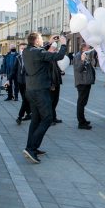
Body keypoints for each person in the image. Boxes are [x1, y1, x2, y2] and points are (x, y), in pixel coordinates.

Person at [21, 33, 67, 164]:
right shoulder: (37, 52)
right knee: (47, 118)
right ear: (36, 40)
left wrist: (49, 43)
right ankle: (31, 148)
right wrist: (63, 44)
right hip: (40, 90)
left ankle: (31, 147)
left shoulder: (27, 51)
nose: (42, 41)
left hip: (31, 90)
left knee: (36, 119)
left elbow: (41, 53)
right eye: (41, 39)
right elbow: (58, 56)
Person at [72, 43, 95, 130]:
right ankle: (81, 123)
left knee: (83, 102)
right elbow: (78, 69)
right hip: (82, 83)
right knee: (81, 103)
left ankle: (83, 120)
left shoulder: (85, 55)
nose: (89, 49)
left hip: (86, 82)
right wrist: (82, 60)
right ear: (84, 48)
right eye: (88, 47)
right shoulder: (78, 56)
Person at [14, 43, 29, 122]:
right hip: (20, 81)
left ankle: (20, 116)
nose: (22, 50)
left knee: (25, 99)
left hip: (28, 81)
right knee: (24, 99)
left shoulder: (30, 57)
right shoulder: (18, 57)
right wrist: (8, 79)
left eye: (24, 48)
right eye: (21, 48)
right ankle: (29, 113)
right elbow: (14, 69)